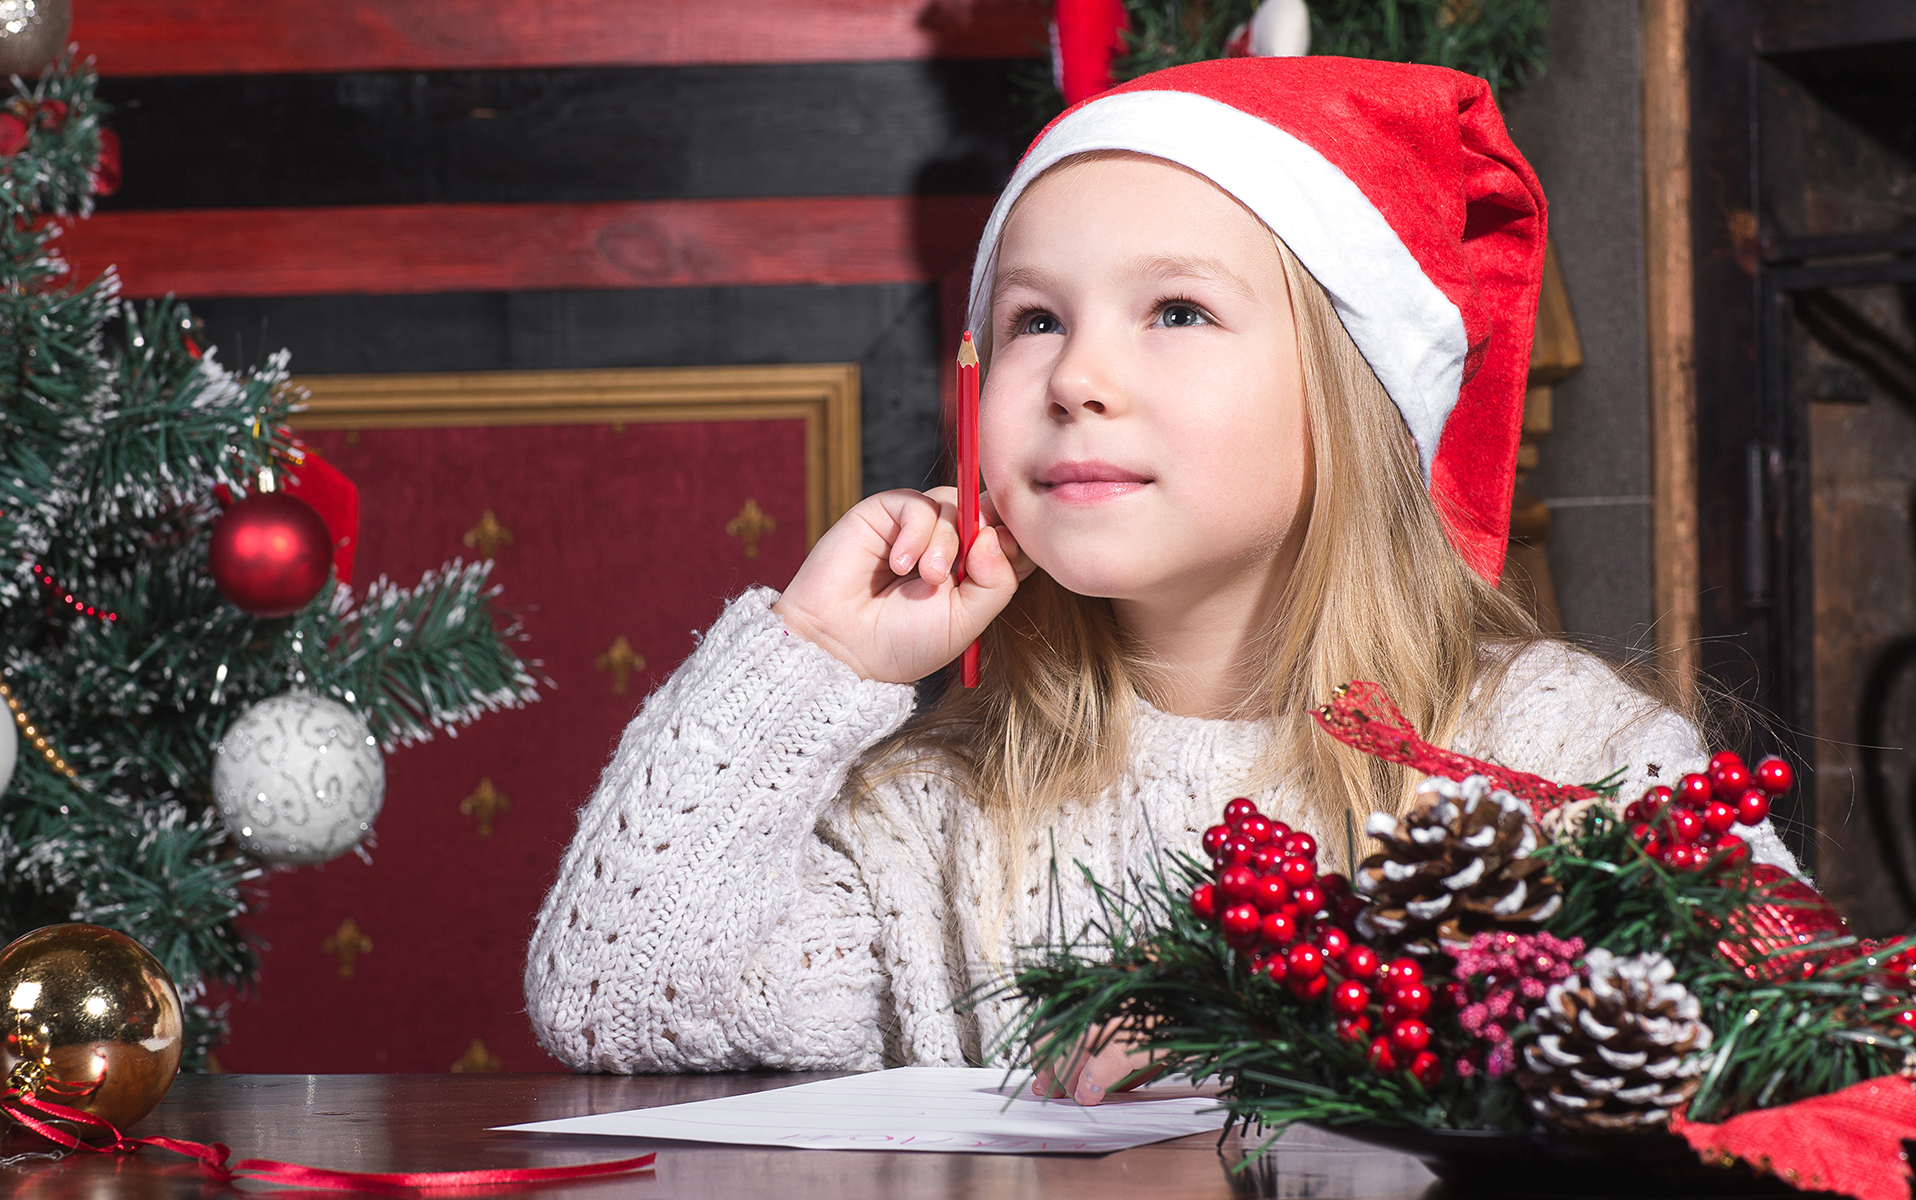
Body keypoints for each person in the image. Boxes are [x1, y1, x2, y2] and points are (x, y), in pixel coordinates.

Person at [523, 55, 1799, 1104]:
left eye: (1176, 312)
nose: (1079, 377)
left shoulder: (1556, 746)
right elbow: (616, 991)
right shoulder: (942, 814)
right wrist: (817, 653)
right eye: (1034, 319)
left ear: (1351, 394)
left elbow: (1782, 1021)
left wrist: (1277, 1031)